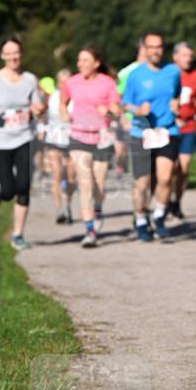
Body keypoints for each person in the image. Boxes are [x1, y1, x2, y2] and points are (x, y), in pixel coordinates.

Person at [121, 31, 181, 242]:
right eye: (151, 47)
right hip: (141, 133)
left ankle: (159, 216)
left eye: (158, 46)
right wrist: (137, 110)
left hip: (167, 130)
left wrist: (176, 105)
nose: (155, 51)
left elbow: (177, 94)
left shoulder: (173, 71)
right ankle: (140, 220)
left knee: (165, 178)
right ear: (144, 49)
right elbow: (125, 102)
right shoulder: (136, 75)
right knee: (142, 183)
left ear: (162, 49)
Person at [61, 46, 121, 248]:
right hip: (78, 136)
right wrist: (63, 113)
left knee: (99, 187)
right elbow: (63, 102)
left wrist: (108, 111)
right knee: (85, 183)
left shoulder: (107, 83)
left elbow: (116, 112)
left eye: (85, 60)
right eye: (79, 60)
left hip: (102, 138)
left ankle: (97, 209)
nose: (81, 64)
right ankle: (89, 230)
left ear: (96, 63)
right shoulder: (72, 82)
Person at [0, 37, 46, 249]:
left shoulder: (30, 79)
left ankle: (18, 234)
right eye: (8, 53)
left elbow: (37, 105)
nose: (13, 57)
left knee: (24, 185)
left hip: (25, 138)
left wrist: (39, 108)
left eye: (16, 52)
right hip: (2, 140)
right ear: (2, 56)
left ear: (21, 54)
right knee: (8, 190)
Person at [170, 41, 196, 218]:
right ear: (175, 57)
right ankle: (165, 199)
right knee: (170, 167)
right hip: (169, 127)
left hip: (189, 126)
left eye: (190, 56)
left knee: (183, 168)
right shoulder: (166, 74)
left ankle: (176, 202)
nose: (188, 59)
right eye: (184, 55)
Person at [43, 68, 75, 223]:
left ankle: (68, 205)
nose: (65, 85)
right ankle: (59, 210)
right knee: (56, 173)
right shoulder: (52, 98)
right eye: (62, 82)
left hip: (72, 140)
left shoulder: (76, 97)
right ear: (57, 83)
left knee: (70, 177)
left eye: (68, 82)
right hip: (53, 140)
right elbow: (43, 116)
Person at [115, 39, 147, 176]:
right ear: (139, 49)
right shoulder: (127, 72)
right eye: (146, 47)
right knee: (121, 151)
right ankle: (120, 165)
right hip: (129, 119)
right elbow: (118, 97)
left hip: (149, 121)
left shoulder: (158, 71)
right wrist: (122, 118)